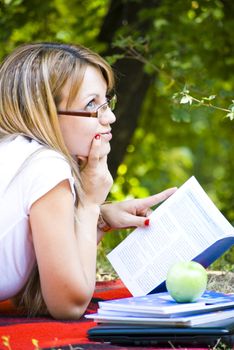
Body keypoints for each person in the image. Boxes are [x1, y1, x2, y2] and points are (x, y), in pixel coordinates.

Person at [0, 42, 176, 319]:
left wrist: (99, 217)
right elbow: (68, 304)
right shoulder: (44, 166)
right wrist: (90, 205)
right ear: (44, 113)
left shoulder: (14, 152)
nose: (110, 116)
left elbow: (39, 280)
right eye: (91, 104)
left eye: (107, 100)